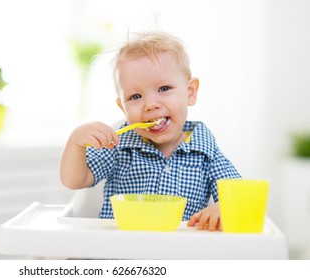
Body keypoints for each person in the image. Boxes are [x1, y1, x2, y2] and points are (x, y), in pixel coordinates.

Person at [60, 31, 241, 231]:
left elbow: (239, 196)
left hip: (180, 254)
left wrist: (222, 207)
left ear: (190, 92)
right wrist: (75, 141)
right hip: (119, 253)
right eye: (135, 96)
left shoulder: (205, 150)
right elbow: (74, 180)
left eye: (164, 88)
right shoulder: (119, 145)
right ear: (123, 107)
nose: (150, 104)